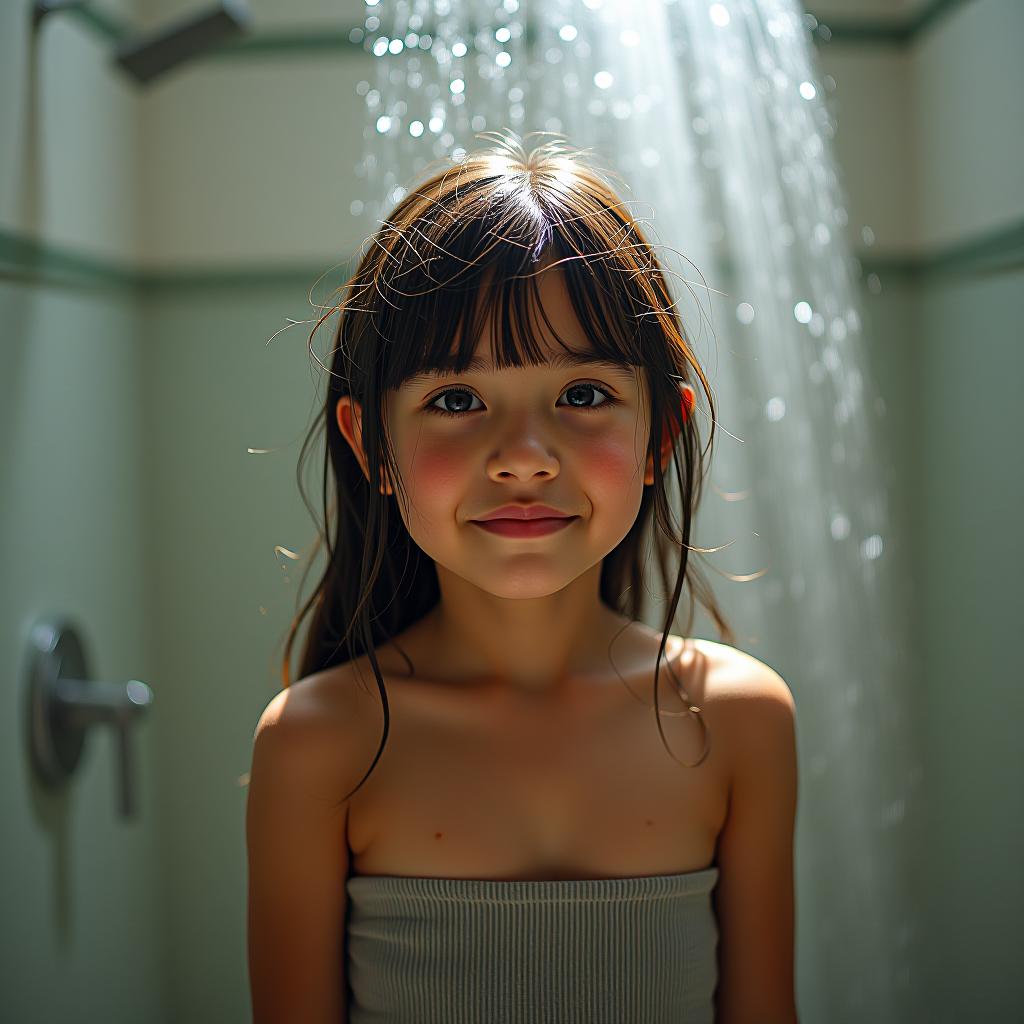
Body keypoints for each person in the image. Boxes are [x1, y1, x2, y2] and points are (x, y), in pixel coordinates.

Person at [246, 131, 798, 1024]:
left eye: (582, 395)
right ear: (369, 445)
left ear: (661, 436)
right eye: (456, 401)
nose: (524, 460)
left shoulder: (737, 721)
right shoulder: (317, 745)